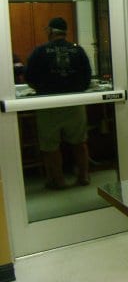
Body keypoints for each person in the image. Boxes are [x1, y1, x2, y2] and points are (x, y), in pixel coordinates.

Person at [24, 17, 92, 189]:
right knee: (79, 142)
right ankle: (84, 177)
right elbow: (87, 78)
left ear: (50, 31)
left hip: (48, 104)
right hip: (75, 103)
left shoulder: (40, 51)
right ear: (64, 32)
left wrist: (41, 88)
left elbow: (29, 77)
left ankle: (58, 180)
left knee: (50, 146)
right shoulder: (78, 51)